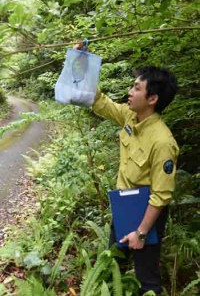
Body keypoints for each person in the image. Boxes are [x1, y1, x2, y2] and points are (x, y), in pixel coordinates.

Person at [74, 44, 179, 295]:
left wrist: (141, 233)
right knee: (112, 267)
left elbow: (161, 196)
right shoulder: (130, 117)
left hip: (146, 215)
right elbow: (100, 102)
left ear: (152, 99)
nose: (129, 92)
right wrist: (83, 62)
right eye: (132, 86)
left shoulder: (163, 142)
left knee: (147, 280)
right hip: (123, 207)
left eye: (136, 88)